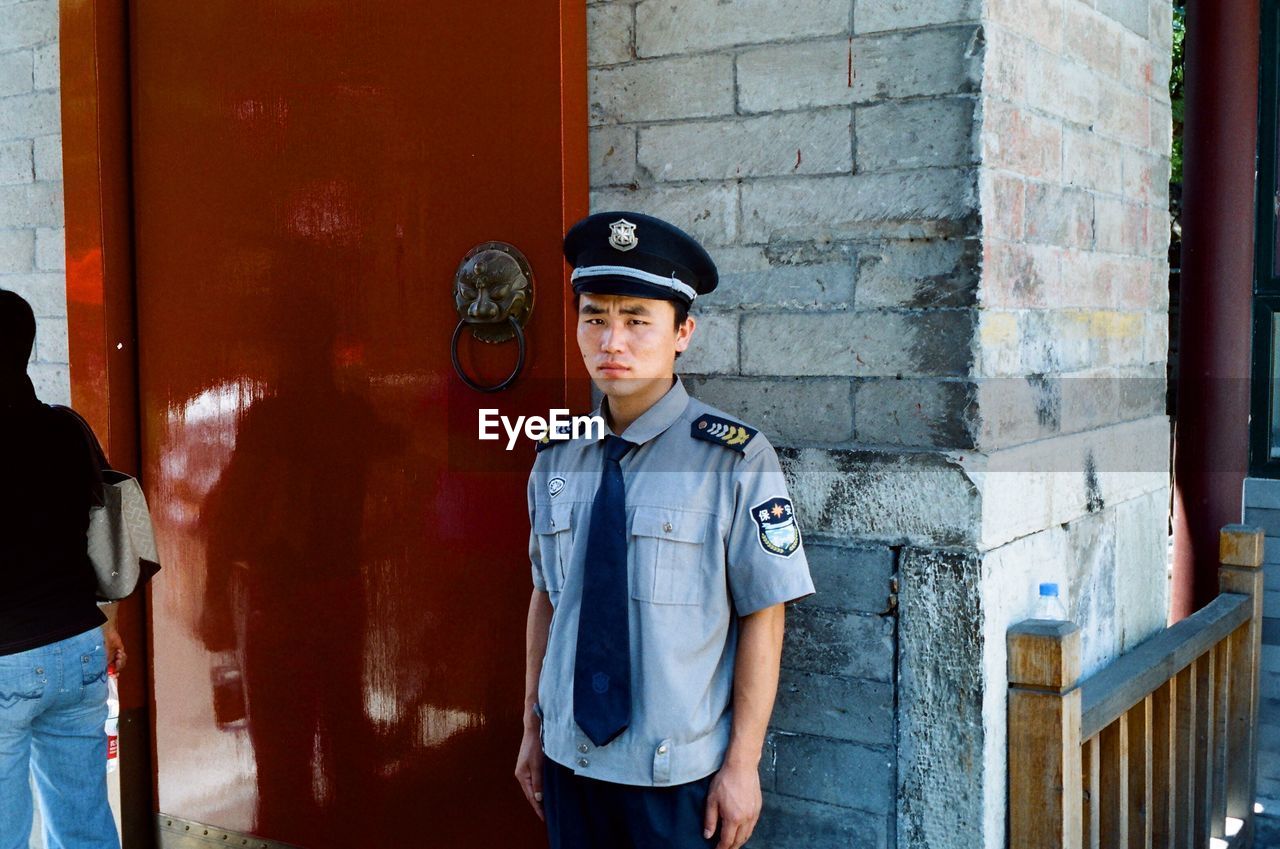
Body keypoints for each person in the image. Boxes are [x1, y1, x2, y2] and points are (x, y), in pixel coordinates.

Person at [514, 213, 815, 849]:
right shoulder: (556, 457)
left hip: (676, 780)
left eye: (636, 320)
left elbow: (766, 612)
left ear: (683, 333)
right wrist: (532, 729)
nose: (612, 341)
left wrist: (742, 765)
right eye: (595, 317)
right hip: (571, 764)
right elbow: (547, 598)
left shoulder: (735, 459)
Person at [0, 288, 125, 849]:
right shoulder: (66, 429)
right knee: (84, 825)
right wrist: (109, 620)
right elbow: (109, 533)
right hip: (78, 648)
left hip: (5, 659)